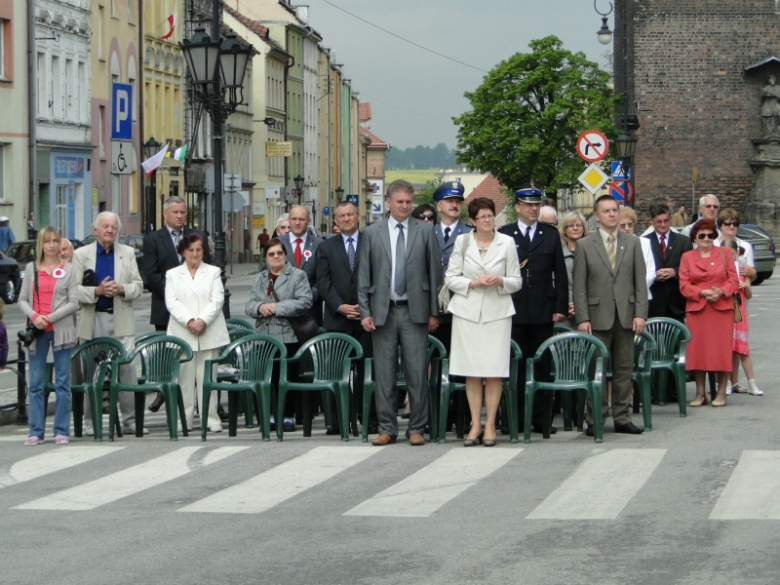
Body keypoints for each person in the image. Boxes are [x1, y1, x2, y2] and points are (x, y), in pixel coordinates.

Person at [358, 179, 441, 446]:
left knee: (417, 372)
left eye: (409, 202)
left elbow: (434, 274)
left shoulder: (425, 232)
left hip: (414, 311)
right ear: (389, 202)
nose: (405, 206)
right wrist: (365, 311)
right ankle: (387, 427)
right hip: (382, 312)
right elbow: (363, 276)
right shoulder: (372, 233)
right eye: (400, 202)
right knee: (384, 373)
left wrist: (433, 312)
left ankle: (417, 428)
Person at [444, 197, 522, 446]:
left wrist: (500, 281)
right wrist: (473, 283)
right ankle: (475, 424)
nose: (487, 220)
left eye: (490, 215)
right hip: (467, 313)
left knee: (494, 371)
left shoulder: (507, 242)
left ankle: (490, 426)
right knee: (472, 373)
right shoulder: (463, 241)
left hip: (497, 313)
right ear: (473, 221)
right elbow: (451, 277)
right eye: (482, 217)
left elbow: (516, 280)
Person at [573, 195, 648, 435]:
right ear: (596, 216)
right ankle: (594, 419)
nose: (612, 214)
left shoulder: (632, 243)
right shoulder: (585, 245)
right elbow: (579, 286)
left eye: (615, 210)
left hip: (626, 315)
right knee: (596, 369)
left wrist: (640, 314)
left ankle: (622, 418)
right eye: (606, 211)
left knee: (624, 369)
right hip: (596, 317)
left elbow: (640, 283)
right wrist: (582, 318)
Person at [497, 183, 568, 435]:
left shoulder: (549, 234)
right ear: (517, 207)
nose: (533, 209)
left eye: (537, 205)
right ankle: (513, 418)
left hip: (542, 309)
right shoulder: (506, 234)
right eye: (528, 205)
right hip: (514, 309)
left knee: (541, 364)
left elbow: (559, 273)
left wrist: (560, 305)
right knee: (513, 364)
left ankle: (541, 418)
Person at [72, 212, 146, 435]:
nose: (109, 231)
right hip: (92, 319)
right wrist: (97, 290)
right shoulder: (81, 255)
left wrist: (122, 289)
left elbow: (139, 286)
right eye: (105, 226)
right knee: (92, 371)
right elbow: (73, 291)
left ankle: (130, 420)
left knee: (126, 369)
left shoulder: (127, 253)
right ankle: (91, 422)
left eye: (114, 227)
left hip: (120, 317)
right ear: (95, 230)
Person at [144, 196, 211, 413]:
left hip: (197, 310)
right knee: (172, 357)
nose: (180, 216)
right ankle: (166, 393)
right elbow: (152, 276)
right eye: (175, 212)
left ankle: (198, 404)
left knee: (195, 357)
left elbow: (208, 269)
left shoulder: (197, 236)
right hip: (166, 309)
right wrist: (178, 291)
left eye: (183, 212)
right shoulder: (153, 240)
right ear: (165, 214)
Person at [316, 201, 376, 435]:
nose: (347, 218)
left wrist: (365, 307)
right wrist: (340, 306)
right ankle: (338, 420)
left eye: (350, 214)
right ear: (336, 221)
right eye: (342, 215)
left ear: (358, 217)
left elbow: (378, 276)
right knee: (338, 371)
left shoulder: (371, 243)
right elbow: (322, 282)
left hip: (365, 318)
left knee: (367, 371)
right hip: (337, 319)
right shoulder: (326, 247)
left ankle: (369, 418)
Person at [19, 227, 78, 445]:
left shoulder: (69, 269)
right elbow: (22, 299)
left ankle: (61, 430)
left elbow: (74, 302)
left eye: (55, 241)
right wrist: (35, 316)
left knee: (62, 382)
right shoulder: (31, 269)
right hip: (38, 330)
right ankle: (35, 430)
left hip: (61, 330)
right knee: (35, 382)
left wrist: (51, 317)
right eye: (47, 241)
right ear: (41, 245)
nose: (52, 245)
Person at [246, 238, 313, 432]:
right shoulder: (259, 278)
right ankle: (271, 415)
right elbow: (250, 305)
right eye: (271, 254)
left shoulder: (297, 276)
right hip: (265, 338)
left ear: (285, 255)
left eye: (279, 253)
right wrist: (260, 307)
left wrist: (276, 307)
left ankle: (288, 416)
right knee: (269, 378)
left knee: (288, 377)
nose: (276, 257)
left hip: (289, 335)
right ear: (266, 258)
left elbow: (304, 301)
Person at [165, 233, 229, 432]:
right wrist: (190, 321)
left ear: (204, 251)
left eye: (199, 250)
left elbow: (217, 300)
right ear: (183, 251)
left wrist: (202, 321)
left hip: (209, 332)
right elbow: (171, 302)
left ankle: (210, 419)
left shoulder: (213, 272)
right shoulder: (172, 274)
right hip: (183, 332)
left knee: (207, 378)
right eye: (190, 250)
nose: (194, 253)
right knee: (184, 379)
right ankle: (183, 420)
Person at [679, 219, 739, 407]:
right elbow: (683, 284)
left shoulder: (725, 253)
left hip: (721, 308)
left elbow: (733, 279)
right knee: (698, 351)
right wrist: (701, 293)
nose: (706, 238)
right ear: (695, 237)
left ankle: (721, 391)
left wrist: (721, 291)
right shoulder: (687, 257)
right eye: (702, 235)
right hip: (698, 309)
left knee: (720, 350)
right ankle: (699, 393)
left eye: (710, 235)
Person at [432, 181, 472, 427]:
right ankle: (437, 417)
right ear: (439, 205)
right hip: (435, 312)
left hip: (462, 309)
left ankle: (462, 416)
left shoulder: (469, 234)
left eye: (458, 202)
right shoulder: (427, 233)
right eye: (450, 202)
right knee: (436, 363)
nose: (455, 205)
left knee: (462, 364)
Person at [644, 203, 693, 321]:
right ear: (651, 221)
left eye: (666, 220)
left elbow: (691, 267)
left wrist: (675, 272)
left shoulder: (684, 241)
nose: (663, 225)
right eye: (658, 221)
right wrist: (653, 276)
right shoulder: (644, 242)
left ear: (670, 218)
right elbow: (639, 269)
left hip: (677, 303)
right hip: (653, 302)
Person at [618, 207, 657, 299]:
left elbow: (651, 271)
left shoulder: (644, 243)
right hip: (619, 296)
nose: (627, 228)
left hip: (641, 295)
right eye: (622, 225)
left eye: (630, 224)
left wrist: (635, 287)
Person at [558, 211, 587, 329]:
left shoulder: (591, 252)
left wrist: (580, 306)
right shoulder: (558, 253)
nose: (575, 228)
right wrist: (563, 305)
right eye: (570, 225)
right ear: (564, 229)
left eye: (579, 225)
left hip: (586, 311)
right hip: (563, 312)